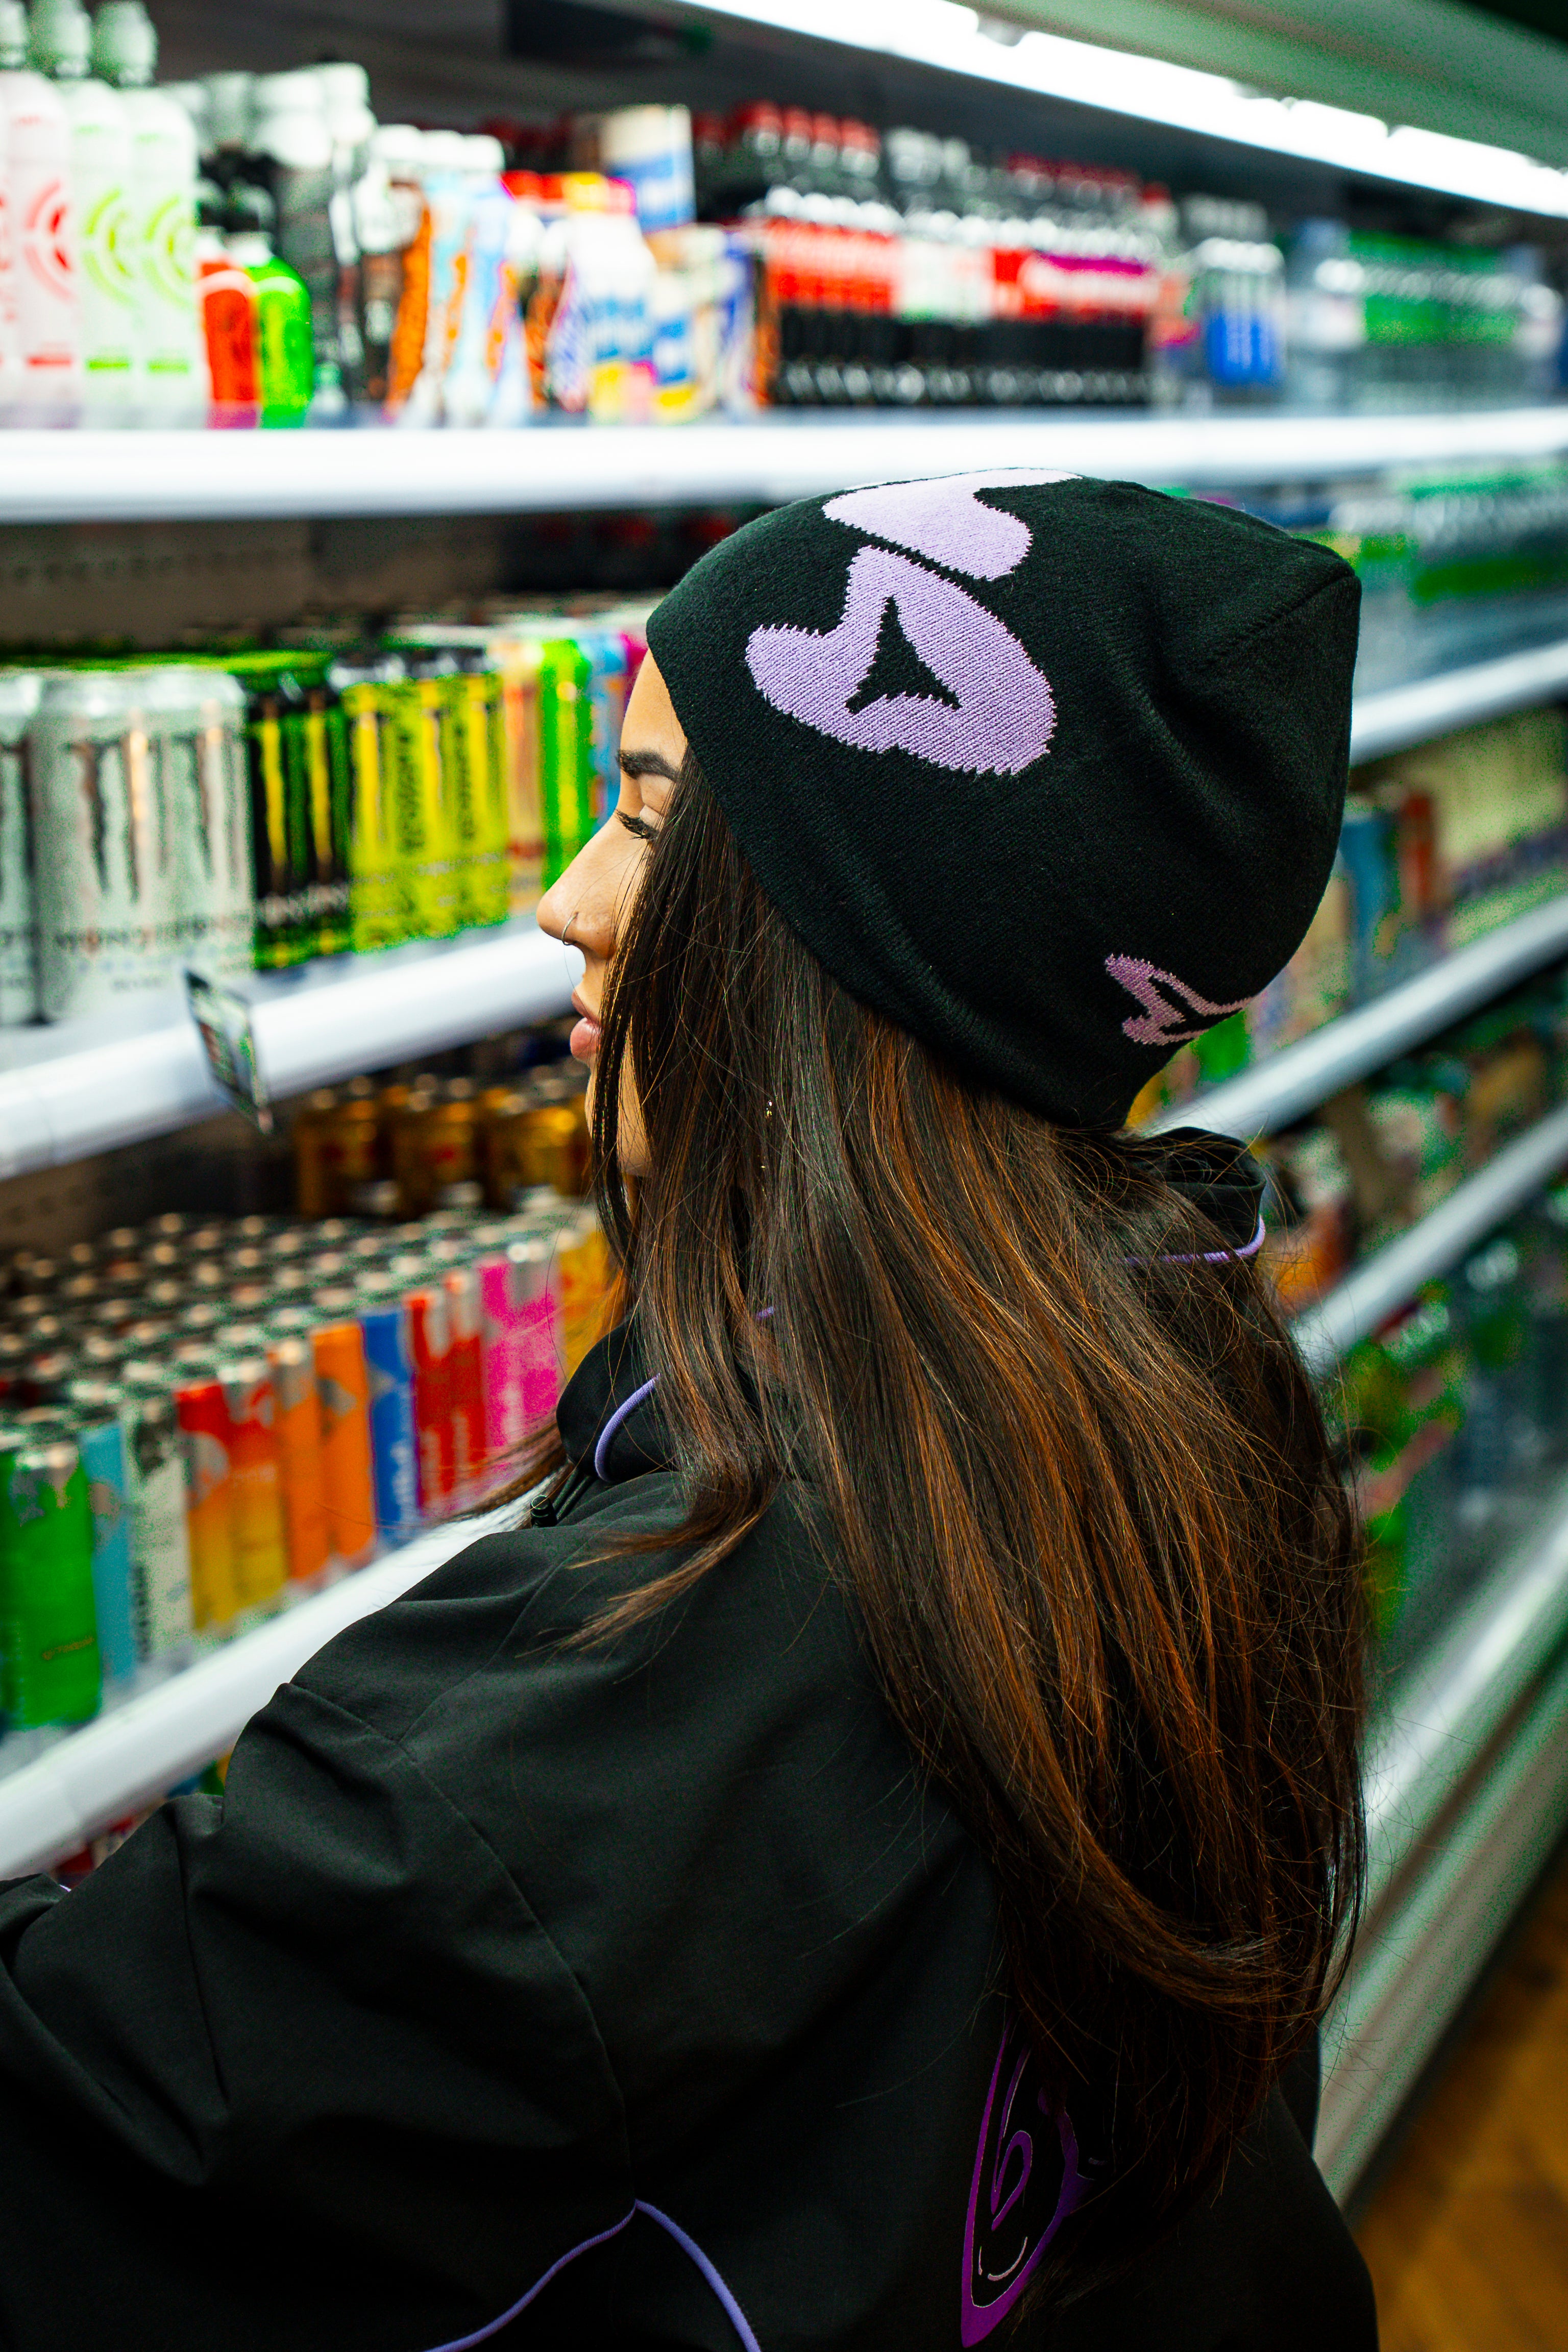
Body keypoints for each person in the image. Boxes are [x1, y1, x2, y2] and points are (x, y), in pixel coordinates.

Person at [0, 471, 1375, 2351]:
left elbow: (82, 2133)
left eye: (650, 819)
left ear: (865, 945)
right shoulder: (1185, 1374)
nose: (567, 898)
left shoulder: (601, 1719)